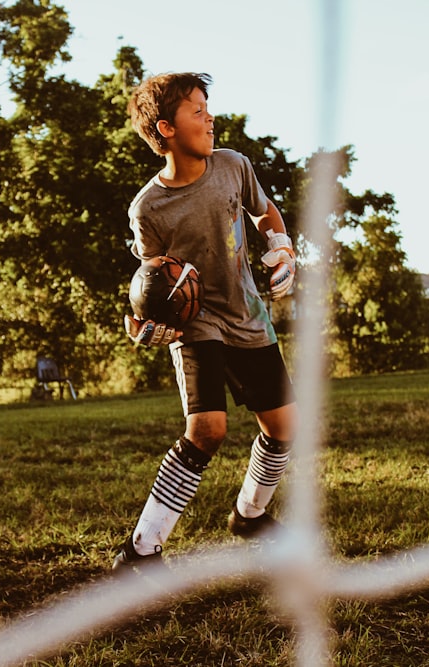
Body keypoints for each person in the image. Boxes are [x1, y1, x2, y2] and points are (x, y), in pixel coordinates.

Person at [113, 72, 298, 573]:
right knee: (207, 430)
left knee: (284, 427)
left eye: (207, 107)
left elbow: (265, 214)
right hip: (198, 324)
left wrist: (281, 247)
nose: (209, 117)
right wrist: (145, 325)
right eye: (197, 110)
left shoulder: (233, 167)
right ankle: (141, 551)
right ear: (166, 128)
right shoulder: (147, 208)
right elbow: (150, 284)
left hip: (247, 314)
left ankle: (250, 516)